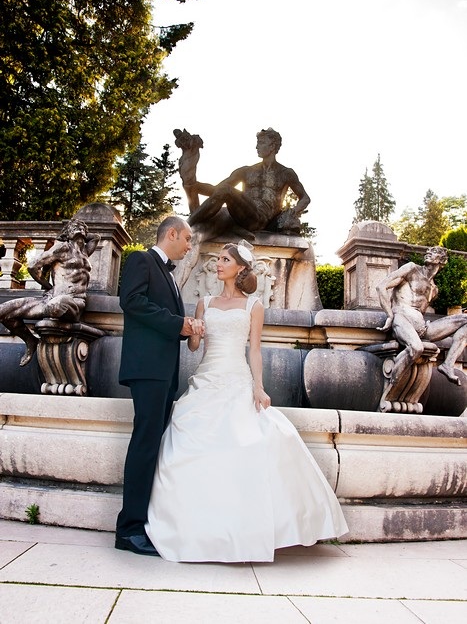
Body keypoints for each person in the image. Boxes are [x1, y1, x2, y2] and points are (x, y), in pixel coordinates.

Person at [144, 241, 348, 562]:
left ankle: (243, 530)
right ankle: (190, 527)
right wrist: (193, 330)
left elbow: (254, 350)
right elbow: (196, 347)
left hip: (236, 380)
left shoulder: (254, 305)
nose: (218, 263)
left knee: (245, 442)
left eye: (225, 259)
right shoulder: (204, 302)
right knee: (186, 443)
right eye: (219, 259)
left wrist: (259, 387)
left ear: (239, 267)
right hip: (206, 381)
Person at [115, 215, 204, 557]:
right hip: (148, 369)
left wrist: (187, 329)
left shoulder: (169, 274)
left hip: (163, 371)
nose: (189, 245)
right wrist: (178, 323)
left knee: (152, 443)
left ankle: (142, 523)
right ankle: (129, 529)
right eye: (187, 238)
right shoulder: (141, 259)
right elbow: (132, 301)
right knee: (145, 443)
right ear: (171, 233)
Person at [0, 218, 100, 366]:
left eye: (82, 227)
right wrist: (47, 286)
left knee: (56, 305)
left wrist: (79, 230)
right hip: (53, 299)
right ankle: (30, 341)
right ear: (68, 233)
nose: (79, 229)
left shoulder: (85, 251)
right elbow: (33, 266)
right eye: (75, 227)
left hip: (74, 302)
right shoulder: (62, 248)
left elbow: (96, 237)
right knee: (3, 311)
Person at [189, 127, 310, 235]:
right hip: (243, 215)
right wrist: (194, 185)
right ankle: (189, 225)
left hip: (263, 219)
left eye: (261, 143)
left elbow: (305, 198)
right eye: (257, 143)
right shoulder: (246, 171)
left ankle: (187, 224)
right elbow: (217, 191)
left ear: (273, 146)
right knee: (224, 190)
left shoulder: (285, 173)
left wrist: (293, 211)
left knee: (226, 190)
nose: (257, 147)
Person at [376, 245, 467, 388]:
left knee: (466, 321)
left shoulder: (433, 289)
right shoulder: (412, 269)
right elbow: (381, 286)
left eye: (434, 252)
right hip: (402, 318)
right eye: (429, 251)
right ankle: (393, 384)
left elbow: (420, 314)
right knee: (417, 348)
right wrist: (389, 315)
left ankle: (448, 365)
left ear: (442, 261)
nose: (429, 252)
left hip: (422, 327)